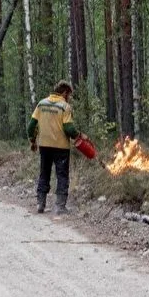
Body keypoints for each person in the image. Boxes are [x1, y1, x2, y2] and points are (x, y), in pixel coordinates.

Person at [26, 80, 88, 214]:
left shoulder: (41, 104)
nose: (69, 98)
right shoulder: (64, 106)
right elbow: (69, 129)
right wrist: (79, 135)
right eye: (69, 95)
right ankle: (60, 206)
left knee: (44, 173)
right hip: (60, 147)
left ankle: (40, 203)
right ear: (65, 92)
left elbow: (31, 126)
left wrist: (32, 141)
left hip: (44, 145)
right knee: (62, 175)